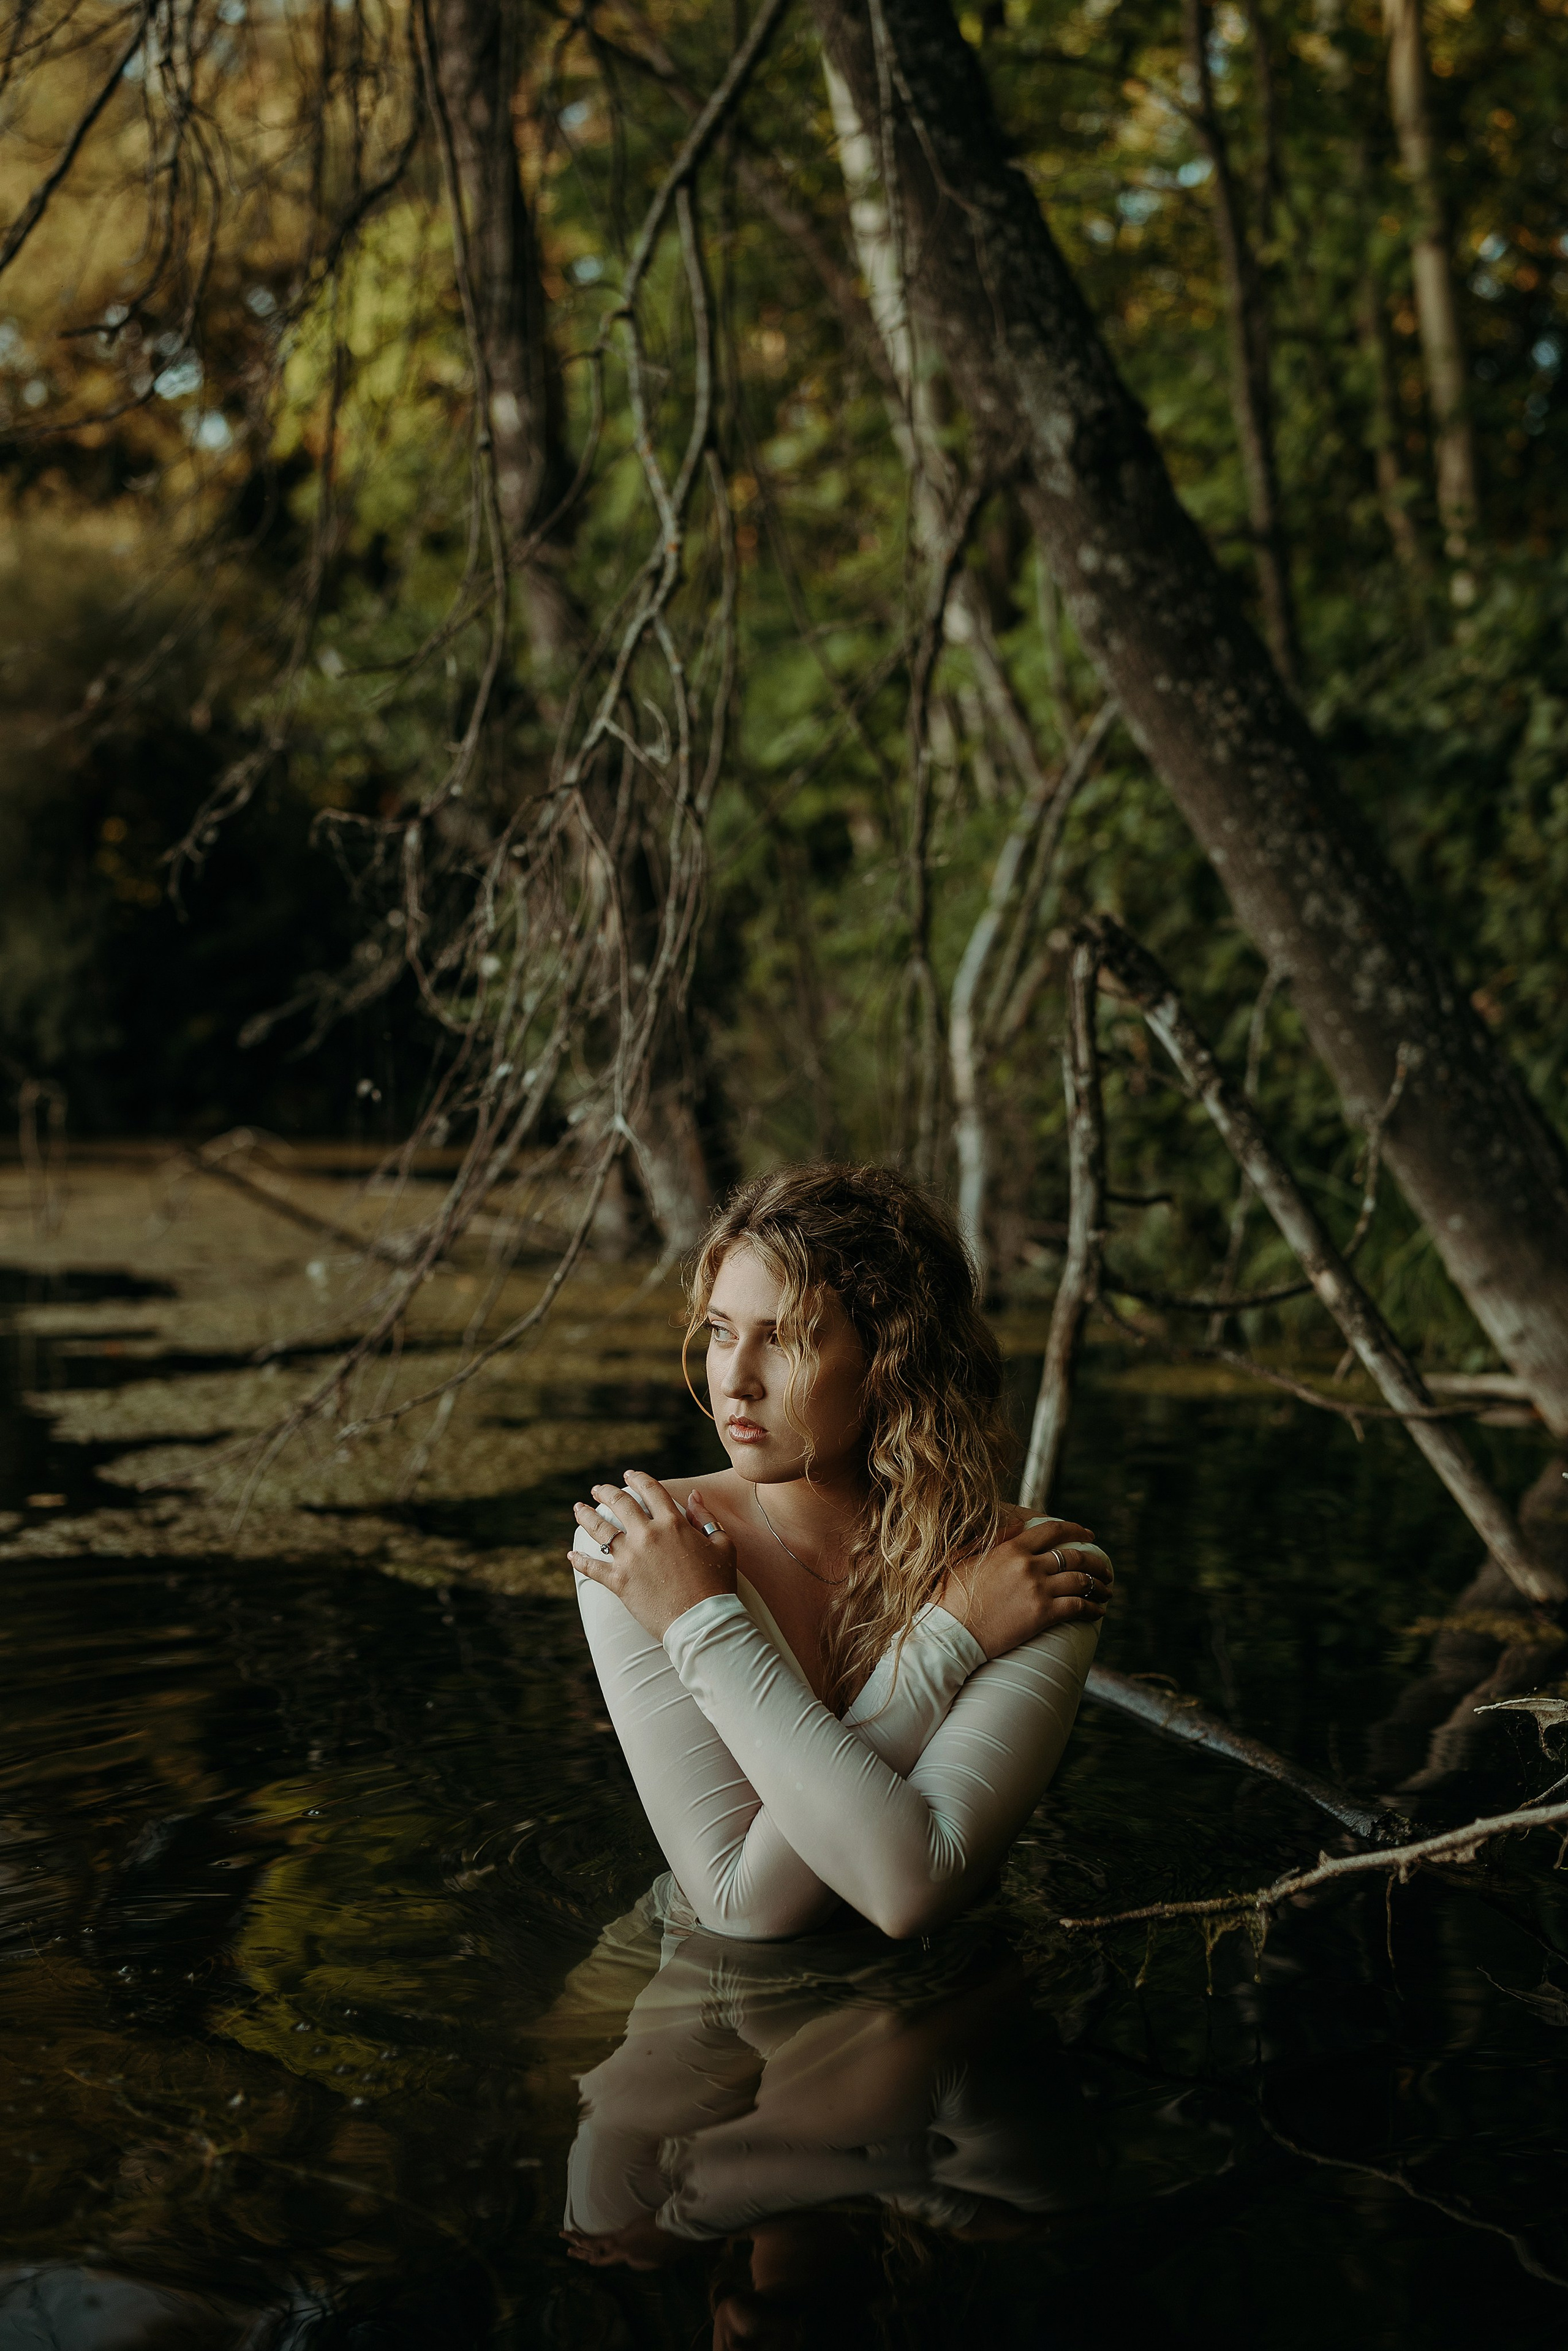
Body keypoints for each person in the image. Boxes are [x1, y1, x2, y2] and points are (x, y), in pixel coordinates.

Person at [568, 1162, 1112, 1945]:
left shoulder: (1033, 1569)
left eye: (784, 1338)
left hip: (943, 1993)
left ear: (895, 1358)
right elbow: (736, 1902)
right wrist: (946, 1642)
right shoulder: (647, 1547)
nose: (736, 1382)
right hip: (684, 1979)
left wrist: (947, 1631)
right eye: (721, 1331)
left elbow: (910, 1888)